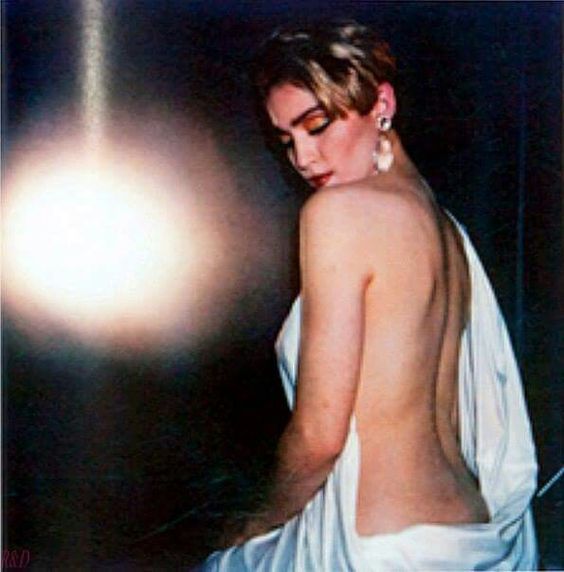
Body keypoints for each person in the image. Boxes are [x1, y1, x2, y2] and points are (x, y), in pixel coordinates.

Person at [202, 21, 538, 571]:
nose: (303, 158)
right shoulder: (447, 230)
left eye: (317, 126)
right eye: (287, 141)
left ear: (381, 104)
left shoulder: (337, 214)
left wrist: (255, 523)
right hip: (468, 535)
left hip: (380, 546)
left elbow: (319, 437)